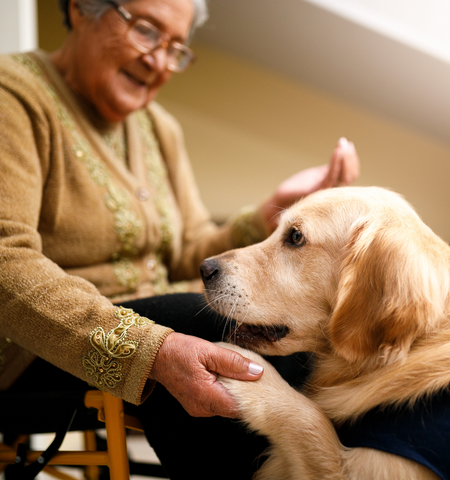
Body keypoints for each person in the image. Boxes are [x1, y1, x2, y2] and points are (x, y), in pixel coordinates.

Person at [0, 0, 360, 477]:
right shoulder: (14, 96)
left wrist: (271, 209)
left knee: (287, 333)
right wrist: (151, 350)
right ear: (80, 9)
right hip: (32, 349)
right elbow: (5, 262)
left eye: (176, 49)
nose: (157, 61)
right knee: (222, 332)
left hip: (156, 314)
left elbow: (193, 253)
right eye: (146, 31)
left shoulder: (158, 128)